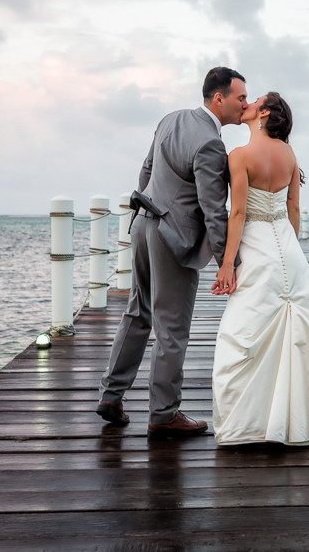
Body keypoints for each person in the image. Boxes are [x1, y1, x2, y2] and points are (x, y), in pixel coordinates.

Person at [211, 92, 309, 445]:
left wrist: (226, 263)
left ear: (263, 112)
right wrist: (290, 246)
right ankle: (300, 420)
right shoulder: (290, 155)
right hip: (287, 245)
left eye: (255, 101)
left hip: (256, 247)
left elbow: (237, 213)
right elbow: (293, 208)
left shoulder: (239, 156)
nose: (248, 103)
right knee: (295, 330)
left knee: (246, 332)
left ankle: (250, 425)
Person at [97, 67, 248, 439]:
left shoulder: (171, 119)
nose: (245, 103)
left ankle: (111, 395)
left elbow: (146, 168)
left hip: (144, 225)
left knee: (137, 312)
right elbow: (214, 211)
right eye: (240, 97)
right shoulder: (212, 144)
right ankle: (163, 415)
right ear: (219, 99)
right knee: (172, 329)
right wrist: (230, 262)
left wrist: (152, 205)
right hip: (173, 238)